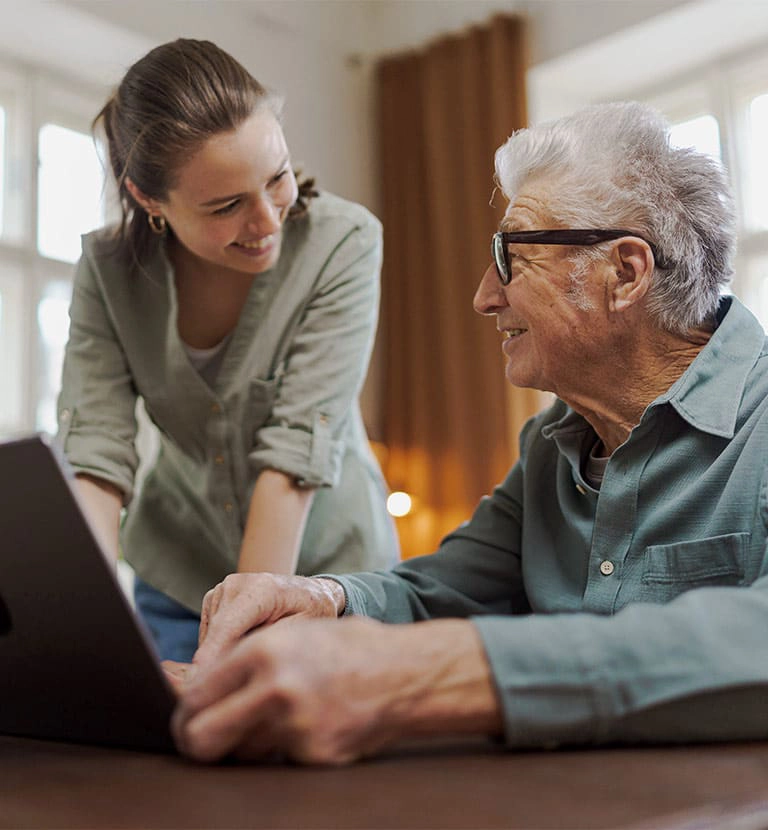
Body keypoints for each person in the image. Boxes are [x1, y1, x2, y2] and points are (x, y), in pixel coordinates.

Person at [170, 100, 768, 765]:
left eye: (510, 257)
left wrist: (441, 674)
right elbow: (441, 591)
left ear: (624, 273)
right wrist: (321, 599)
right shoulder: (548, 448)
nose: (485, 295)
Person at [56, 39, 398, 663]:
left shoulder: (342, 243)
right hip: (179, 579)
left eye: (278, 179)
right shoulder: (108, 272)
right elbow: (97, 456)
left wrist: (237, 648)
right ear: (148, 200)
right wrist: (82, 624)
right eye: (227, 205)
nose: (267, 220)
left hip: (332, 584)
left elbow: (295, 453)